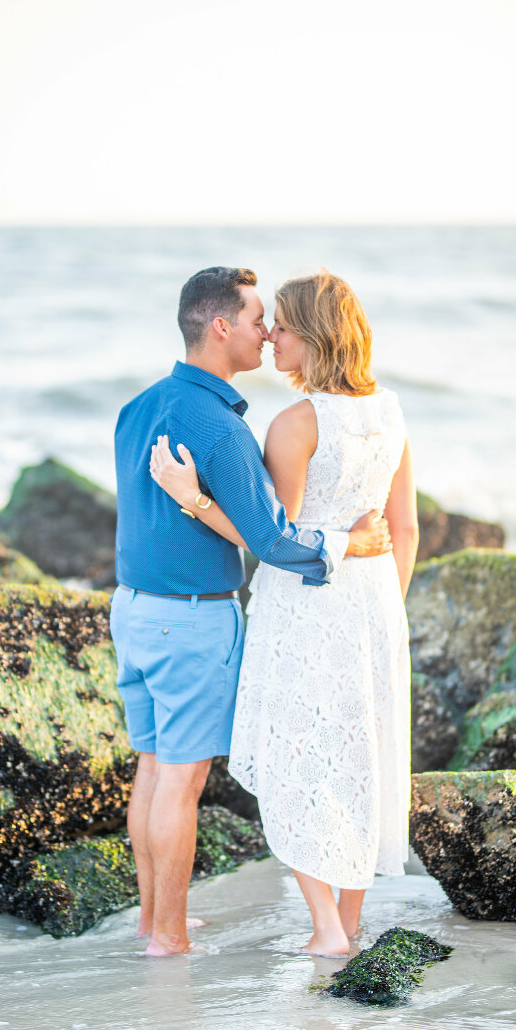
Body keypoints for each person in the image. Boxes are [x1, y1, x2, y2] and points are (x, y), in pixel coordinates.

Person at [111, 266, 393, 957]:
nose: (267, 331)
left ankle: (153, 919)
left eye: (276, 322)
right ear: (221, 327)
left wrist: (197, 506)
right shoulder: (221, 428)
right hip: (191, 618)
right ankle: (168, 940)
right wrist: (350, 544)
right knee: (180, 779)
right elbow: (272, 540)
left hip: (132, 610)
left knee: (151, 769)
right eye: (257, 319)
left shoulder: (138, 406)